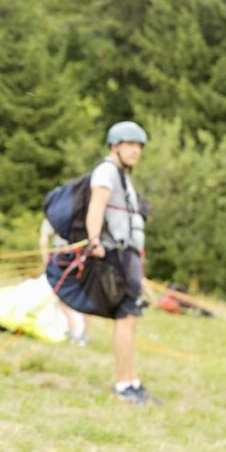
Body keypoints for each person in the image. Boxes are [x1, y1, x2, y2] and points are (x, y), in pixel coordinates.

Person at [84, 120, 161, 405]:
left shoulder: (121, 175)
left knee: (131, 318)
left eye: (139, 146)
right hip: (115, 254)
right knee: (125, 318)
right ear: (114, 146)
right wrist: (94, 240)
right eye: (130, 144)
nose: (135, 151)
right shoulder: (106, 171)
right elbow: (96, 206)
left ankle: (131, 381)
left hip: (128, 255)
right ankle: (123, 385)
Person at [38, 217, 88, 345]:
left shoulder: (54, 212)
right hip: (81, 259)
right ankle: (80, 333)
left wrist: (46, 263)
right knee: (80, 295)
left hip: (60, 259)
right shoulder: (83, 211)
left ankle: (74, 332)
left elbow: (44, 240)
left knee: (62, 295)